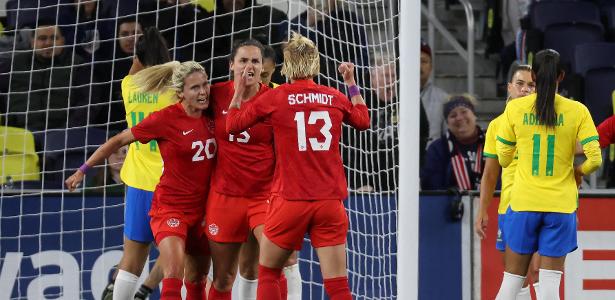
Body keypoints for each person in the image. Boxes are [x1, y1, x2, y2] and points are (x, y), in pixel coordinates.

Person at [226, 32, 370, 300]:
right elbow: (363, 120)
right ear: (315, 63)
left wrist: (238, 93)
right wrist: (350, 83)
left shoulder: (276, 97)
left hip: (290, 199)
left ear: (287, 65)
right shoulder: (334, 96)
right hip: (329, 202)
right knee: (338, 286)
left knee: (268, 272)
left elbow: (233, 125)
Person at [66, 60, 215, 300]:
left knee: (199, 279)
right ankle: (138, 291)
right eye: (195, 87)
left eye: (205, 85)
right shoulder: (165, 119)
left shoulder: (213, 112)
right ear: (180, 94)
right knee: (174, 272)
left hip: (204, 209)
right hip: (171, 207)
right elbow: (118, 141)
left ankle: (141, 290)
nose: (203, 91)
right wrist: (83, 169)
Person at [494, 49, 602, 300]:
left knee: (511, 283)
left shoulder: (515, 109)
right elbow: (595, 159)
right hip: (561, 206)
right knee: (549, 286)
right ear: (561, 76)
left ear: (533, 75)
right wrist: (578, 171)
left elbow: (503, 158)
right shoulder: (578, 110)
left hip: (523, 203)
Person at [206, 39, 302, 300]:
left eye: (255, 61)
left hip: (264, 197)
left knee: (282, 261)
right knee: (224, 277)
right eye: (243, 60)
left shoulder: (275, 99)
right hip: (225, 197)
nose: (249, 66)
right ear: (231, 65)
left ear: (264, 68)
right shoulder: (214, 94)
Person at [96, 28, 173, 300]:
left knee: (131, 261)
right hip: (172, 183)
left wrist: (142, 51)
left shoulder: (128, 87)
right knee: (178, 254)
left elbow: (136, 68)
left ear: (138, 58)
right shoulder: (175, 91)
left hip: (140, 182)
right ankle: (148, 290)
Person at [475, 64, 538, 299]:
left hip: (543, 205)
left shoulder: (549, 122)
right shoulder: (497, 125)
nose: (525, 90)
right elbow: (490, 173)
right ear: (509, 88)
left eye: (531, 85)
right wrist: (482, 209)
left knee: (538, 271)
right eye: (520, 84)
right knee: (515, 277)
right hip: (510, 208)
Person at [289, 0, 368, 90]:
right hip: (311, 85)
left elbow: (364, 57)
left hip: (344, 83)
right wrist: (309, 25)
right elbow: (292, 53)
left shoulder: (350, 19)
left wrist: (347, 69)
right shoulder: (298, 22)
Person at [420, 95, 485, 190]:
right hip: (451, 204)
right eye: (453, 115)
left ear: (474, 115)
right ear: (447, 123)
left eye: (464, 112)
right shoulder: (437, 149)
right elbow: (431, 186)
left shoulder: (492, 143)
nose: (459, 118)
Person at [92, 17, 143, 132]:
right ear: (117, 38)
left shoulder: (158, 66)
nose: (131, 38)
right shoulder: (105, 68)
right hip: (114, 130)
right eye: (124, 34)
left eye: (136, 33)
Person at [420, 40, 449, 144]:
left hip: (431, 158)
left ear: (431, 67)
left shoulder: (443, 98)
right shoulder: (393, 96)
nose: (419, 66)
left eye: (423, 61)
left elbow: (448, 137)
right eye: (415, 60)